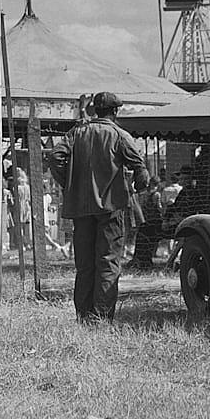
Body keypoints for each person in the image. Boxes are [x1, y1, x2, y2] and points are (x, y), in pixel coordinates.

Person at [49, 91, 149, 323]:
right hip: (110, 208)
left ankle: (83, 316)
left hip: (81, 209)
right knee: (107, 262)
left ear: (95, 110)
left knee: (84, 265)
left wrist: (68, 184)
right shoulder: (119, 135)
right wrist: (136, 186)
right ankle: (101, 318)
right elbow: (141, 170)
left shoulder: (76, 133)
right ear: (115, 112)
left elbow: (55, 157)